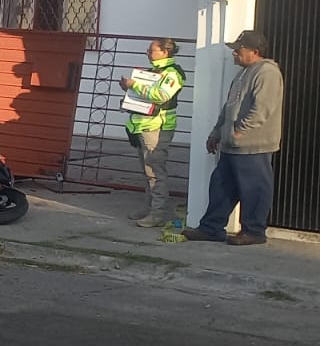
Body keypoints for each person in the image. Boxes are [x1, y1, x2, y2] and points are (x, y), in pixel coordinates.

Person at [184, 30, 285, 246]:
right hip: (232, 144)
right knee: (221, 186)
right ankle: (211, 228)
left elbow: (262, 109)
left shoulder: (266, 72)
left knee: (255, 188)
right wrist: (217, 132)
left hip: (252, 145)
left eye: (238, 50)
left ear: (254, 51)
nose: (234, 54)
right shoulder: (242, 74)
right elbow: (229, 107)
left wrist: (240, 131)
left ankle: (254, 231)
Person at [117, 38, 187, 227]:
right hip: (142, 125)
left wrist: (134, 85)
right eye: (148, 50)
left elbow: (161, 95)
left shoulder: (172, 73)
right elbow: (144, 95)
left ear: (165, 52)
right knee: (147, 171)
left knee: (155, 172)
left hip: (157, 127)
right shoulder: (152, 72)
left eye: (152, 50)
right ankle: (150, 209)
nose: (148, 53)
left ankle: (157, 214)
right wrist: (128, 92)